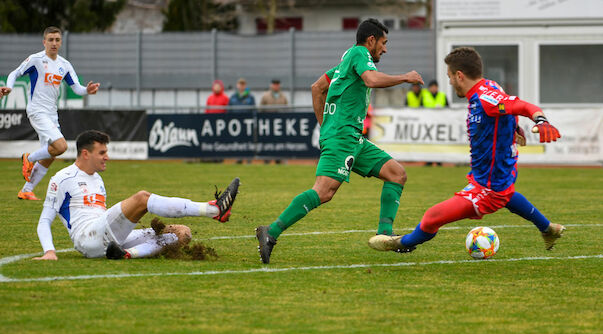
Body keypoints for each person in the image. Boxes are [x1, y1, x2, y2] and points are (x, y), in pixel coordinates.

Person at [255, 18, 423, 264]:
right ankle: (271, 231)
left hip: (352, 138)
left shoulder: (345, 62)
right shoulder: (358, 54)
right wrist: (406, 77)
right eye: (384, 43)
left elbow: (317, 87)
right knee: (323, 192)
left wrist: (325, 126)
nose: (385, 49)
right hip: (342, 137)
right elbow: (372, 80)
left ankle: (385, 235)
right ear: (371, 40)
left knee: (396, 174)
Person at [368, 47, 565, 254]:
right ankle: (547, 228)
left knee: (433, 216)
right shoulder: (489, 87)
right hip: (494, 177)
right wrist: (513, 126)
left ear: (459, 75)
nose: (450, 82)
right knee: (507, 195)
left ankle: (400, 243)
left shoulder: (485, 98)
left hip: (488, 188)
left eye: (450, 77)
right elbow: (507, 109)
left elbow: (521, 105)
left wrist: (540, 120)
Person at [32, 130, 240, 260]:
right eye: (102, 153)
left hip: (108, 238)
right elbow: (44, 220)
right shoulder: (62, 177)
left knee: (182, 233)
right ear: (86, 153)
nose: (107, 157)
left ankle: (126, 255)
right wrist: (49, 251)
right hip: (88, 237)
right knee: (142, 198)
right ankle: (213, 209)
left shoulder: (96, 179)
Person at [0, 26, 100, 201]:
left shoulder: (64, 65)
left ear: (60, 42)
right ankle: (28, 158)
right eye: (50, 40)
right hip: (37, 110)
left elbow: (76, 87)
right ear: (44, 42)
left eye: (57, 40)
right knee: (61, 147)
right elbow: (15, 73)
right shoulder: (36, 59)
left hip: (51, 114)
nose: (54, 43)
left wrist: (87, 90)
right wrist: (9, 87)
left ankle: (26, 190)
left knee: (51, 154)